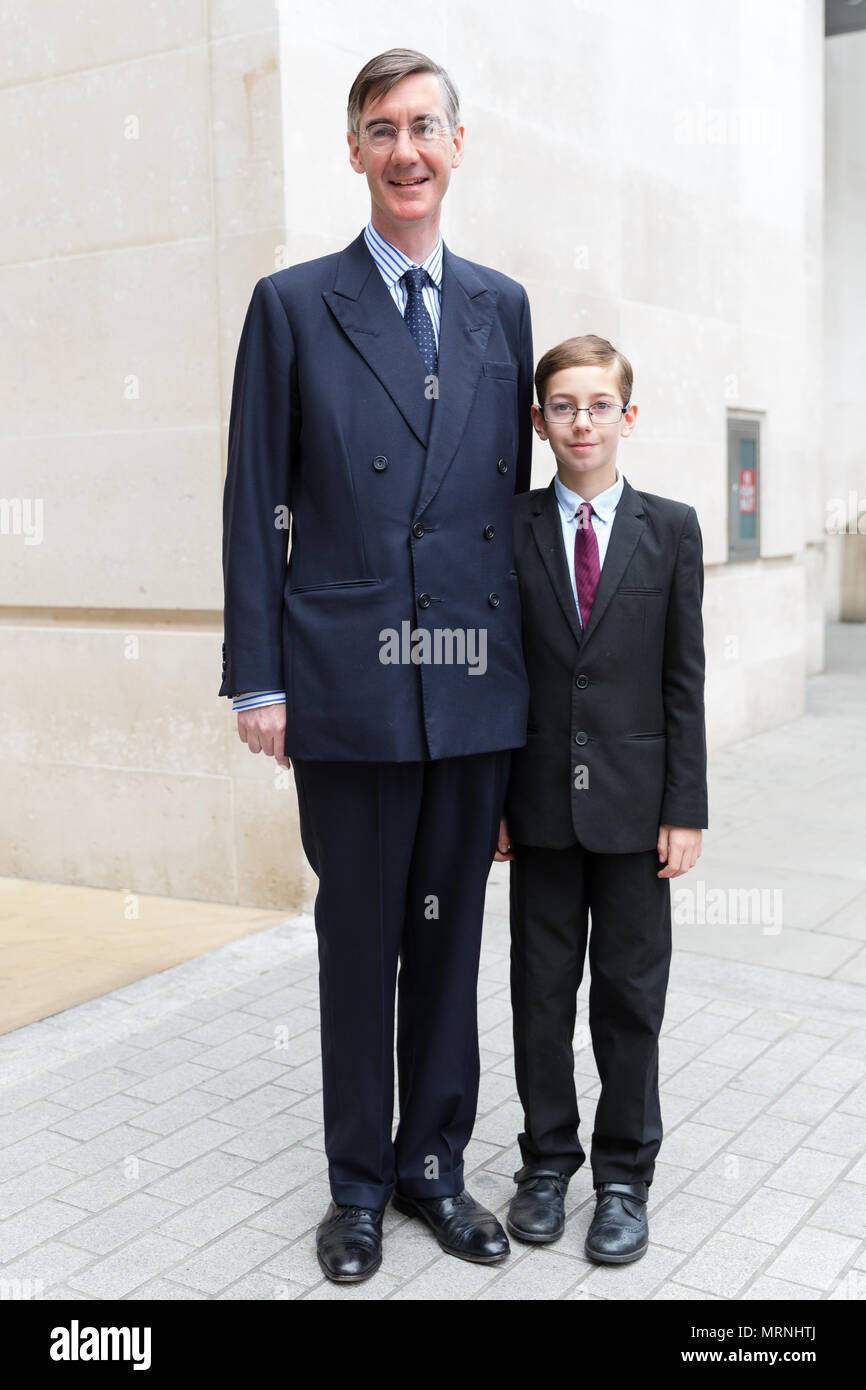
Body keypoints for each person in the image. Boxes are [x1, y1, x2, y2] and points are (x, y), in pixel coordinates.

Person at [220, 48, 534, 1283]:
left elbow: (502, 508)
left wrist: (527, 694)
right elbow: (252, 497)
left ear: (458, 145)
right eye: (379, 130)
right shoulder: (293, 304)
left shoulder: (500, 306)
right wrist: (259, 675)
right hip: (346, 686)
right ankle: (356, 1181)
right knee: (360, 940)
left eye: (424, 127)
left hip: (467, 691)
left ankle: (434, 1168)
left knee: (448, 941)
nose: (405, 151)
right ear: (352, 153)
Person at [494, 334, 707, 1263]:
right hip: (538, 805)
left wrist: (686, 805)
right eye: (563, 406)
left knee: (628, 997)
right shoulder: (510, 526)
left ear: (629, 415)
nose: (582, 421)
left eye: (598, 404)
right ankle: (546, 1163)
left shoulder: (673, 528)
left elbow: (683, 678)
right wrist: (491, 798)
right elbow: (497, 674)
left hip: (634, 809)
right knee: (540, 994)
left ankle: (624, 1176)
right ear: (539, 422)